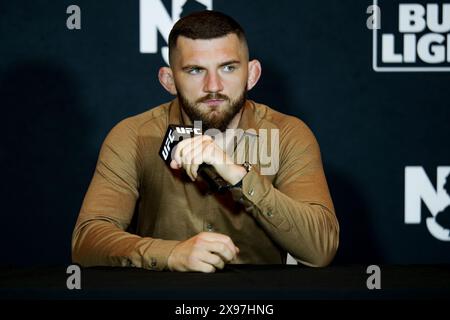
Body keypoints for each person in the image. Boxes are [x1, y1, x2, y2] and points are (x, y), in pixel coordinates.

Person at [72, 10, 339, 273]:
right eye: (195, 70)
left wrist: (237, 174)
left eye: (228, 68)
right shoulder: (134, 135)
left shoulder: (287, 134)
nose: (213, 86)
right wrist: (171, 254)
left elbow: (319, 250)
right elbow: (87, 240)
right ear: (169, 80)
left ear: (252, 74)